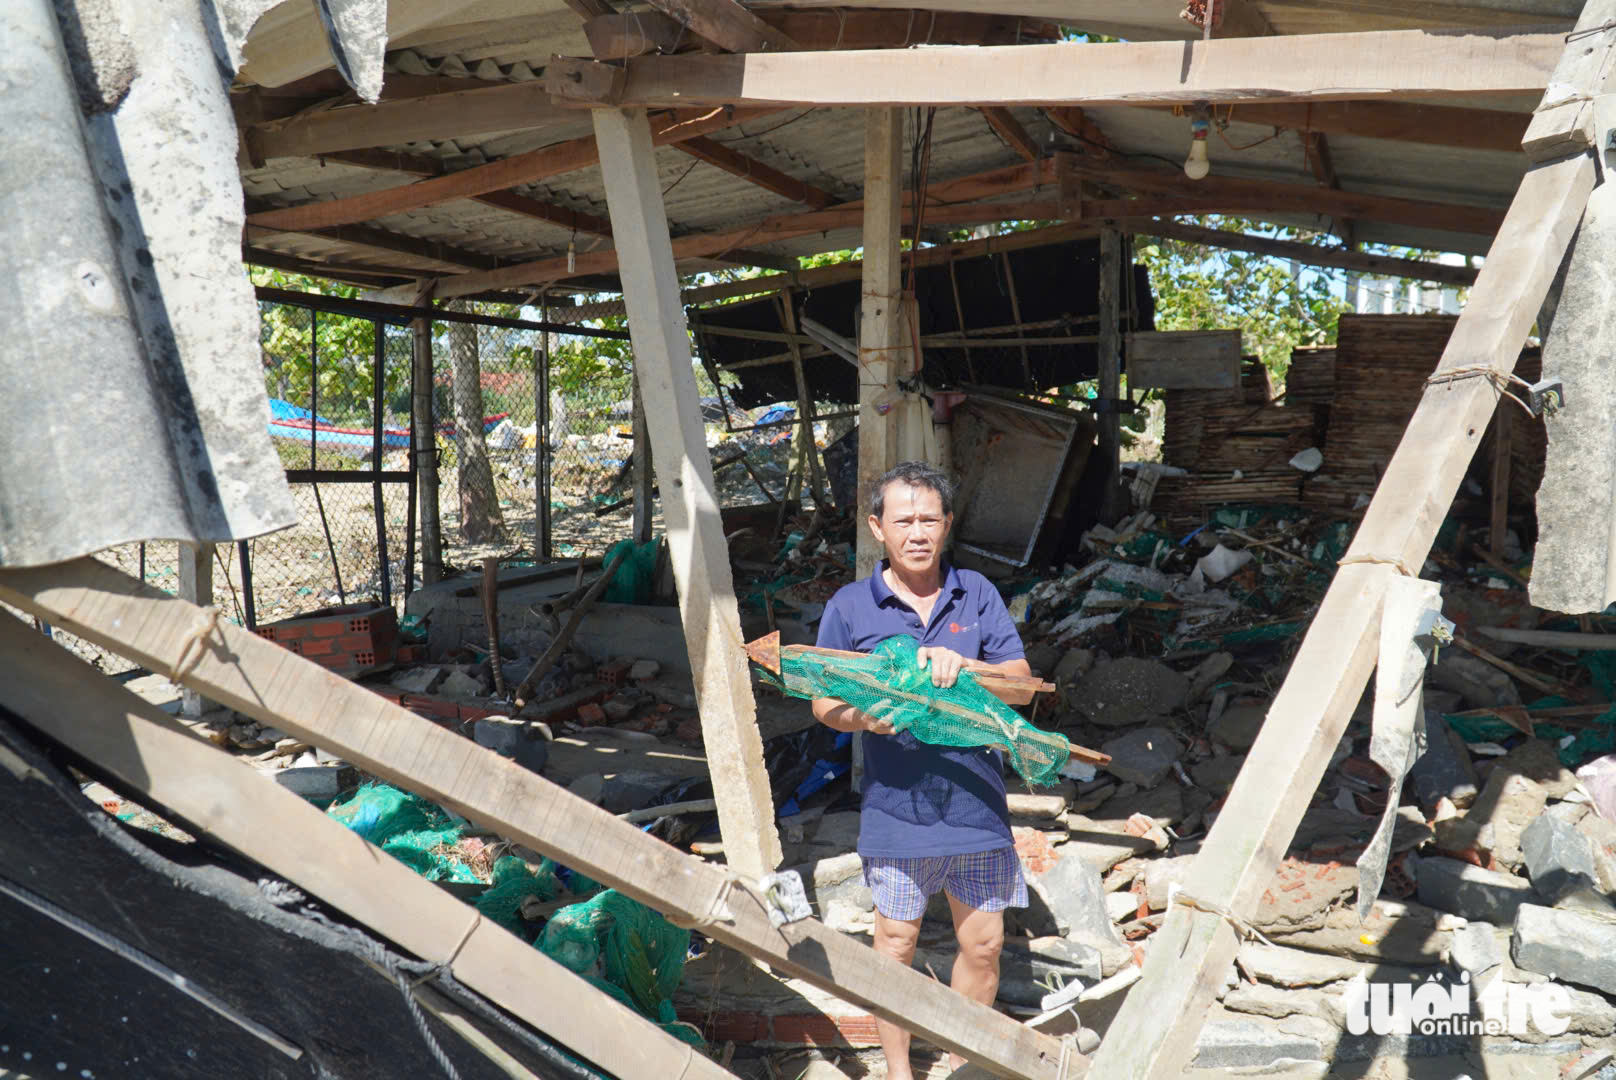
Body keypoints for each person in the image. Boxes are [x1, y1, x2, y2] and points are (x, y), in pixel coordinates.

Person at [811, 460, 1033, 1080]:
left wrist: (963, 669)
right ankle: (899, 1071)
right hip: (895, 807)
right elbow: (823, 702)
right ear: (876, 527)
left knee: (984, 944)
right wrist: (863, 719)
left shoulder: (977, 594)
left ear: (948, 525)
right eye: (902, 519)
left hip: (975, 801)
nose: (917, 532)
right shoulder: (852, 606)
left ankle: (962, 1060)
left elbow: (1020, 688)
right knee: (895, 948)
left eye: (929, 519)